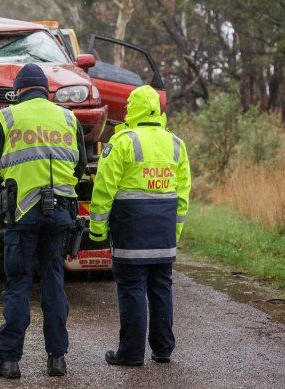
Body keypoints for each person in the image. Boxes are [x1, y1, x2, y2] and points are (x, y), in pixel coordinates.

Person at [0, 63, 87, 379]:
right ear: (46, 89)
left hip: (22, 212)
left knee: (19, 284)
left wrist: (11, 178)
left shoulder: (7, 116)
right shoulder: (68, 118)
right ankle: (57, 360)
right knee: (54, 282)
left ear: (19, 90)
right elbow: (80, 166)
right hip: (60, 214)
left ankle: (10, 361)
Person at [89, 85, 191, 366]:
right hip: (163, 229)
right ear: (157, 110)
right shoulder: (175, 143)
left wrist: (97, 229)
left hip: (131, 228)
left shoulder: (122, 142)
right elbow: (182, 193)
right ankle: (163, 350)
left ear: (131, 110)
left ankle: (131, 353)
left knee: (132, 288)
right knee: (161, 287)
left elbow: (104, 188)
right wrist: (176, 230)